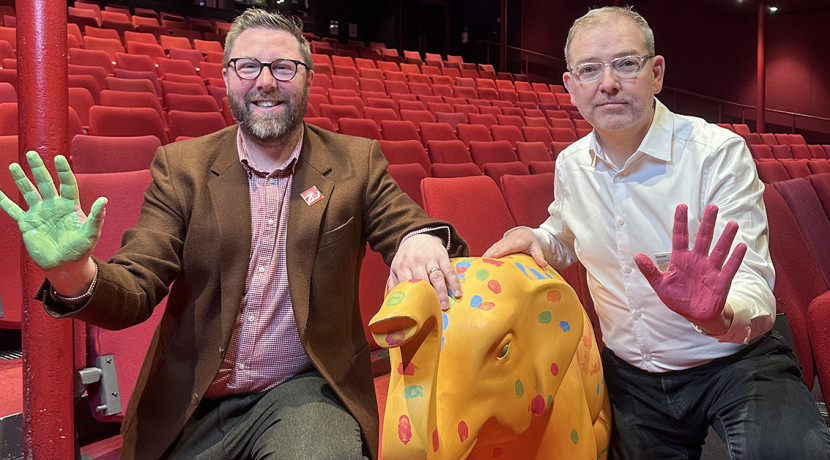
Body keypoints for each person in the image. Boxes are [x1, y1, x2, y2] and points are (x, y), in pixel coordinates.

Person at [0, 9, 467, 460]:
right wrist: (73, 272)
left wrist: (417, 238)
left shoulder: (356, 161)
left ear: (306, 77)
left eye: (284, 67)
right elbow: (137, 286)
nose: (266, 81)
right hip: (193, 401)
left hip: (303, 391)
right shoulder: (182, 167)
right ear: (227, 78)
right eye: (249, 66)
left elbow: (402, 221)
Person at [485, 6, 830, 459]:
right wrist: (539, 238)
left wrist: (720, 315)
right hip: (631, 376)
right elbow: (566, 232)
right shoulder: (571, 164)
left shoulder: (717, 153)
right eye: (589, 69)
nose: (607, 83)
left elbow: (752, 281)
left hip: (735, 362)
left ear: (656, 72)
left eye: (626, 63)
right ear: (571, 87)